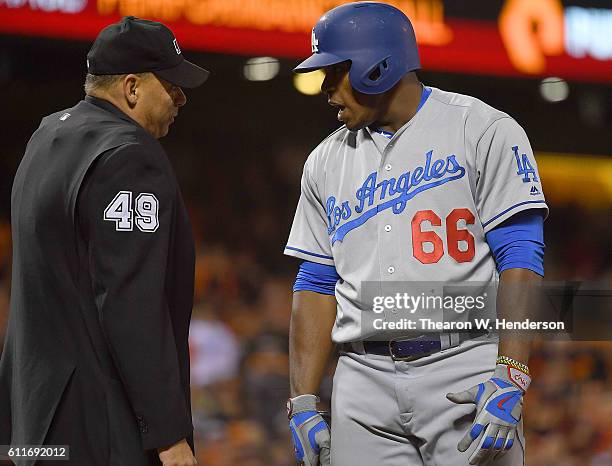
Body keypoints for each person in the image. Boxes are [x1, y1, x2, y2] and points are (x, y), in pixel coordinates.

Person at [284, 3, 546, 466]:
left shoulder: (481, 128)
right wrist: (302, 400)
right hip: (361, 379)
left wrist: (513, 372)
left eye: (333, 74)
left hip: (464, 365)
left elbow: (521, 256)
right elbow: (315, 282)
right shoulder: (324, 161)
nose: (326, 91)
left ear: (375, 67)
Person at [0, 16, 208, 466]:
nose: (181, 96)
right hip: (99, 428)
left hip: (34, 421)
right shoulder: (130, 156)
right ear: (132, 87)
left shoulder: (47, 135)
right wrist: (168, 435)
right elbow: (130, 304)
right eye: (170, 84)